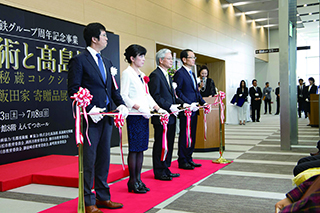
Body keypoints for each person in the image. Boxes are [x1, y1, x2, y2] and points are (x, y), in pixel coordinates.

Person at [68, 23, 128, 213]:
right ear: (94, 39)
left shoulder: (107, 62)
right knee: (89, 160)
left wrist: (121, 105)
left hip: (107, 117)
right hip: (90, 119)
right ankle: (88, 201)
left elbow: (112, 89)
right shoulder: (79, 60)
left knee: (104, 158)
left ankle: (103, 197)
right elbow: (73, 89)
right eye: (104, 35)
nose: (107, 38)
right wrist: (89, 108)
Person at [120, 44, 168, 193]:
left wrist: (158, 108)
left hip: (144, 115)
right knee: (134, 149)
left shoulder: (141, 74)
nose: (143, 59)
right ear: (132, 58)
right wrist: (139, 108)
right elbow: (123, 95)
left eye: (143, 56)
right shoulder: (127, 73)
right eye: (140, 56)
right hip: (135, 116)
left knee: (141, 149)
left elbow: (147, 95)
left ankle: (138, 180)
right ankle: (132, 181)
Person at [149, 49, 185, 181]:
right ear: (161, 60)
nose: (171, 61)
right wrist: (169, 106)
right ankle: (159, 170)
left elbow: (172, 96)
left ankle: (166, 167)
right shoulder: (155, 75)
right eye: (169, 59)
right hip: (161, 116)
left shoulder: (168, 75)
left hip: (171, 115)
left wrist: (183, 104)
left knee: (169, 143)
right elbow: (155, 96)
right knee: (160, 143)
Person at [174, 49, 209, 170]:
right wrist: (188, 104)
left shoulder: (193, 74)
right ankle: (182, 159)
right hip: (187, 110)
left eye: (194, 57)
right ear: (184, 59)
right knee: (185, 135)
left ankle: (189, 157)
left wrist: (203, 103)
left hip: (195, 109)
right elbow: (177, 92)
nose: (194, 59)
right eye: (191, 57)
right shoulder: (180, 73)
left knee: (192, 134)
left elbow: (196, 92)